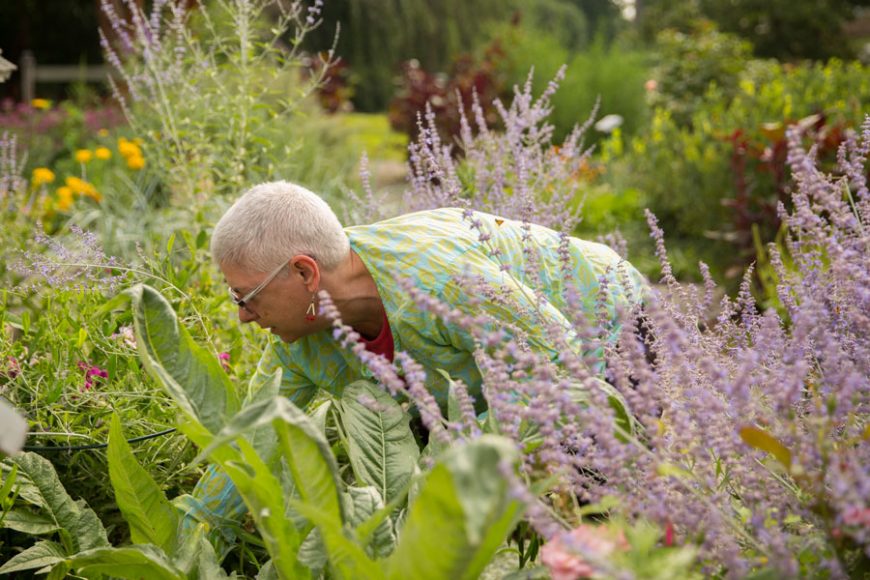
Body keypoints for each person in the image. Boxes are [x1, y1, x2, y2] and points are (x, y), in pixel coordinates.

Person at [180, 180, 647, 549]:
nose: (242, 316)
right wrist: (184, 539)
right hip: (502, 374)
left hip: (604, 327)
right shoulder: (296, 344)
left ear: (305, 273)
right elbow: (248, 444)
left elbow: (551, 358)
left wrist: (456, 465)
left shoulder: (435, 278)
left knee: (616, 519)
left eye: (246, 296)